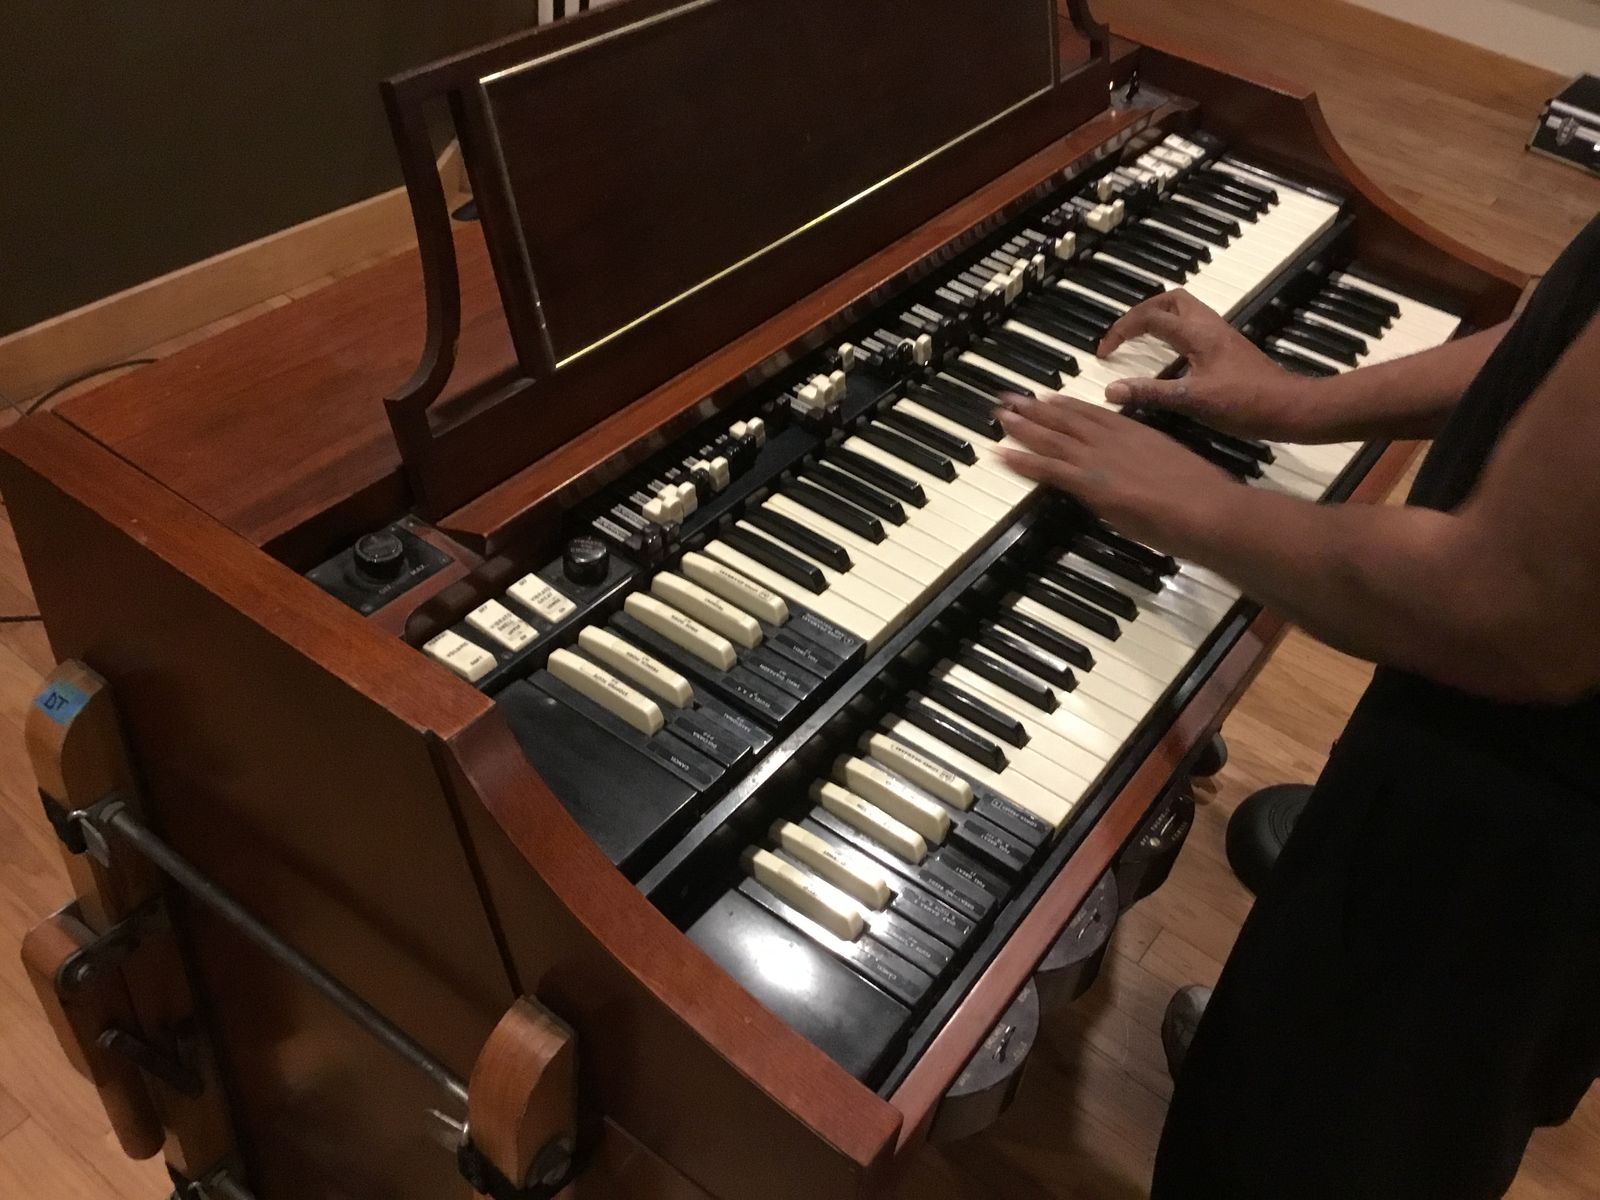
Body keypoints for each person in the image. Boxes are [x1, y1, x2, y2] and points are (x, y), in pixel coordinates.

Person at [994, 213, 1600, 1200]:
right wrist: (1298, 402)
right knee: (1320, 1061)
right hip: (1482, 749)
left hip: (1528, 820)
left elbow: (1507, 610)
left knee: (1354, 1129)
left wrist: (1194, 501)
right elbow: (1559, 343)